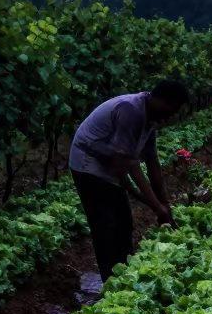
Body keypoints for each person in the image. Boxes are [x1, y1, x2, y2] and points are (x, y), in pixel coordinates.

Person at [69, 80, 188, 279]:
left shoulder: (150, 118)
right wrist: (156, 206)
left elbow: (152, 162)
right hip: (89, 164)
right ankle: (111, 282)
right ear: (162, 101)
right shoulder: (131, 111)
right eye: (174, 108)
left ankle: (125, 275)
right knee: (105, 226)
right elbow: (130, 165)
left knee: (123, 223)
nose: (174, 113)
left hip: (111, 164)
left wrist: (164, 203)